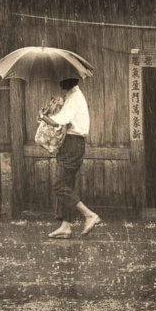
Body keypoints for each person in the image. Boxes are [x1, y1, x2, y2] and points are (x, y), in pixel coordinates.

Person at [38, 79, 101, 239]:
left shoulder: (74, 97)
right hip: (72, 144)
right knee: (67, 184)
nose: (59, 83)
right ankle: (65, 226)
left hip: (72, 144)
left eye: (61, 80)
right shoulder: (72, 96)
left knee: (59, 185)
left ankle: (89, 215)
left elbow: (59, 122)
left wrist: (43, 116)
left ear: (68, 80)